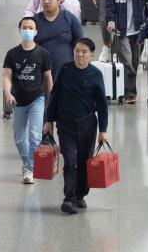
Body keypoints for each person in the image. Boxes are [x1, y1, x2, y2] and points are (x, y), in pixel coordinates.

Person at [43, 38, 110, 215]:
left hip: (87, 124)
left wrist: (103, 130)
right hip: (65, 124)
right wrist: (48, 121)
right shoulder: (64, 69)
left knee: (84, 161)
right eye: (77, 51)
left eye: (84, 52)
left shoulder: (96, 74)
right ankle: (69, 198)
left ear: (91, 55)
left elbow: (102, 105)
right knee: (70, 161)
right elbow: (54, 95)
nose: (79, 55)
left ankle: (80, 194)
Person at [3, 16, 53, 184]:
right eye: (24, 27)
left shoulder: (42, 53)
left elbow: (48, 77)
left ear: (36, 32)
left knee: (35, 135)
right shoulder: (12, 54)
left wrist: (51, 98)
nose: (27, 30)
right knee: (19, 137)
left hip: (37, 98)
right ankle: (27, 162)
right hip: (18, 101)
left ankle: (30, 169)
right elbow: (6, 76)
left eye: (31, 28)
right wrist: (8, 93)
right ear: (19, 30)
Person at [32, 0, 84, 86]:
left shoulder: (70, 18)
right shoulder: (35, 21)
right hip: (41, 78)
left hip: (67, 75)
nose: (46, 1)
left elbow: (81, 45)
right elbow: (28, 48)